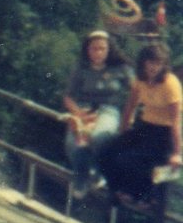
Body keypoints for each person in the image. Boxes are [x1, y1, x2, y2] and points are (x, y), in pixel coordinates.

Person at [97, 43, 183, 210]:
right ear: (144, 62)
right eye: (151, 62)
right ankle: (116, 192)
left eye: (158, 63)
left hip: (164, 133)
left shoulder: (170, 85)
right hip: (145, 126)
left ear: (163, 65)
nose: (154, 67)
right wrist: (123, 131)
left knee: (130, 160)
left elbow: (176, 121)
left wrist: (177, 153)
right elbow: (131, 105)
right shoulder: (140, 79)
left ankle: (139, 197)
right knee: (107, 151)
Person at [61, 30, 132, 199]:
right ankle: (85, 176)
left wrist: (132, 114)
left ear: (109, 49)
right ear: (87, 49)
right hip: (84, 110)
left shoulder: (120, 68)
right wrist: (79, 113)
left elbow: (136, 91)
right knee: (74, 143)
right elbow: (67, 97)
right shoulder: (81, 68)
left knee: (101, 136)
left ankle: (94, 172)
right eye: (94, 48)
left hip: (109, 110)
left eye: (102, 48)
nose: (98, 52)